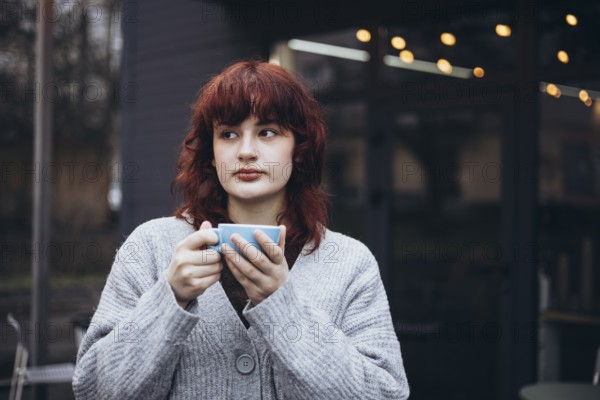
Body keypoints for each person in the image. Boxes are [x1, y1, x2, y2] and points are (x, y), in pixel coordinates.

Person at [72, 60, 409, 399]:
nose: (246, 152)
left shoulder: (349, 263)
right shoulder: (151, 247)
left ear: (299, 148)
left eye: (267, 132)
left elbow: (384, 394)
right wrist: (169, 298)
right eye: (229, 134)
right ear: (212, 153)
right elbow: (92, 389)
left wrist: (283, 306)